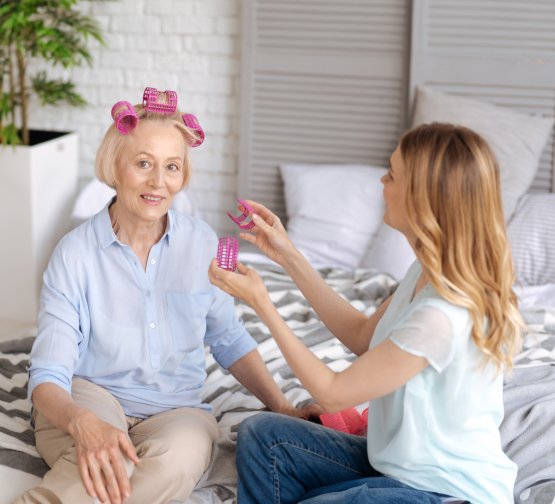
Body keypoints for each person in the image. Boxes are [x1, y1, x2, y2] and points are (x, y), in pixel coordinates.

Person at [18, 92, 322, 504]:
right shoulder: (73, 254)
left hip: (176, 411)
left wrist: (282, 407)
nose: (158, 182)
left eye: (171, 167)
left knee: (179, 459)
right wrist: (83, 422)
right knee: (109, 462)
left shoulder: (202, 243)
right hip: (89, 394)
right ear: (115, 168)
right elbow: (49, 372)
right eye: (143, 163)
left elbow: (228, 338)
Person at [209, 123, 525, 504]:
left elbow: (332, 394)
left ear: (422, 198)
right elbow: (362, 336)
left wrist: (262, 304)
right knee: (265, 436)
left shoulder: (443, 315)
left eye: (392, 174)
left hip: (446, 491)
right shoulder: (425, 271)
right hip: (397, 470)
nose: (382, 179)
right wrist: (288, 255)